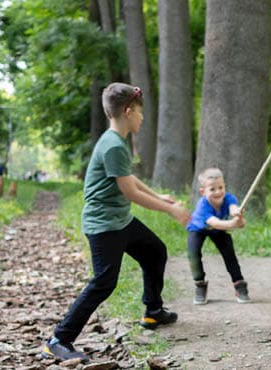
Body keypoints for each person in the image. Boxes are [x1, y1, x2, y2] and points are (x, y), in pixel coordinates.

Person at [42, 83, 191, 363]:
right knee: (104, 283)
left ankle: (153, 311)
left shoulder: (118, 141)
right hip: (104, 226)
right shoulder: (112, 145)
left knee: (154, 251)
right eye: (140, 112)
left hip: (119, 220)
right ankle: (59, 339)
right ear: (127, 111)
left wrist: (158, 195)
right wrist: (171, 211)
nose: (142, 118)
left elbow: (129, 179)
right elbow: (130, 193)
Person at [186, 167, 250, 305]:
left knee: (229, 254)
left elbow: (233, 208)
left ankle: (239, 285)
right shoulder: (202, 206)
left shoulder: (228, 198)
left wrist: (237, 214)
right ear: (202, 192)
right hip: (199, 229)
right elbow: (216, 223)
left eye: (221, 187)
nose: (218, 192)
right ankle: (200, 284)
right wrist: (233, 224)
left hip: (218, 228)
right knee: (193, 254)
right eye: (212, 189)